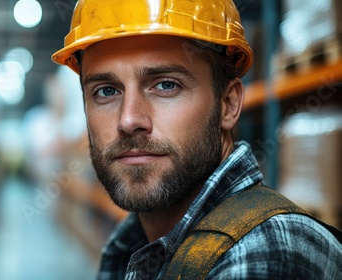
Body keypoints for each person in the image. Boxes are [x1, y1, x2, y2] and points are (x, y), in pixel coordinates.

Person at [52, 0, 342, 279]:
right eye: (106, 91)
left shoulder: (265, 251)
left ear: (227, 105)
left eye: (166, 85)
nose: (128, 120)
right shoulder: (133, 242)